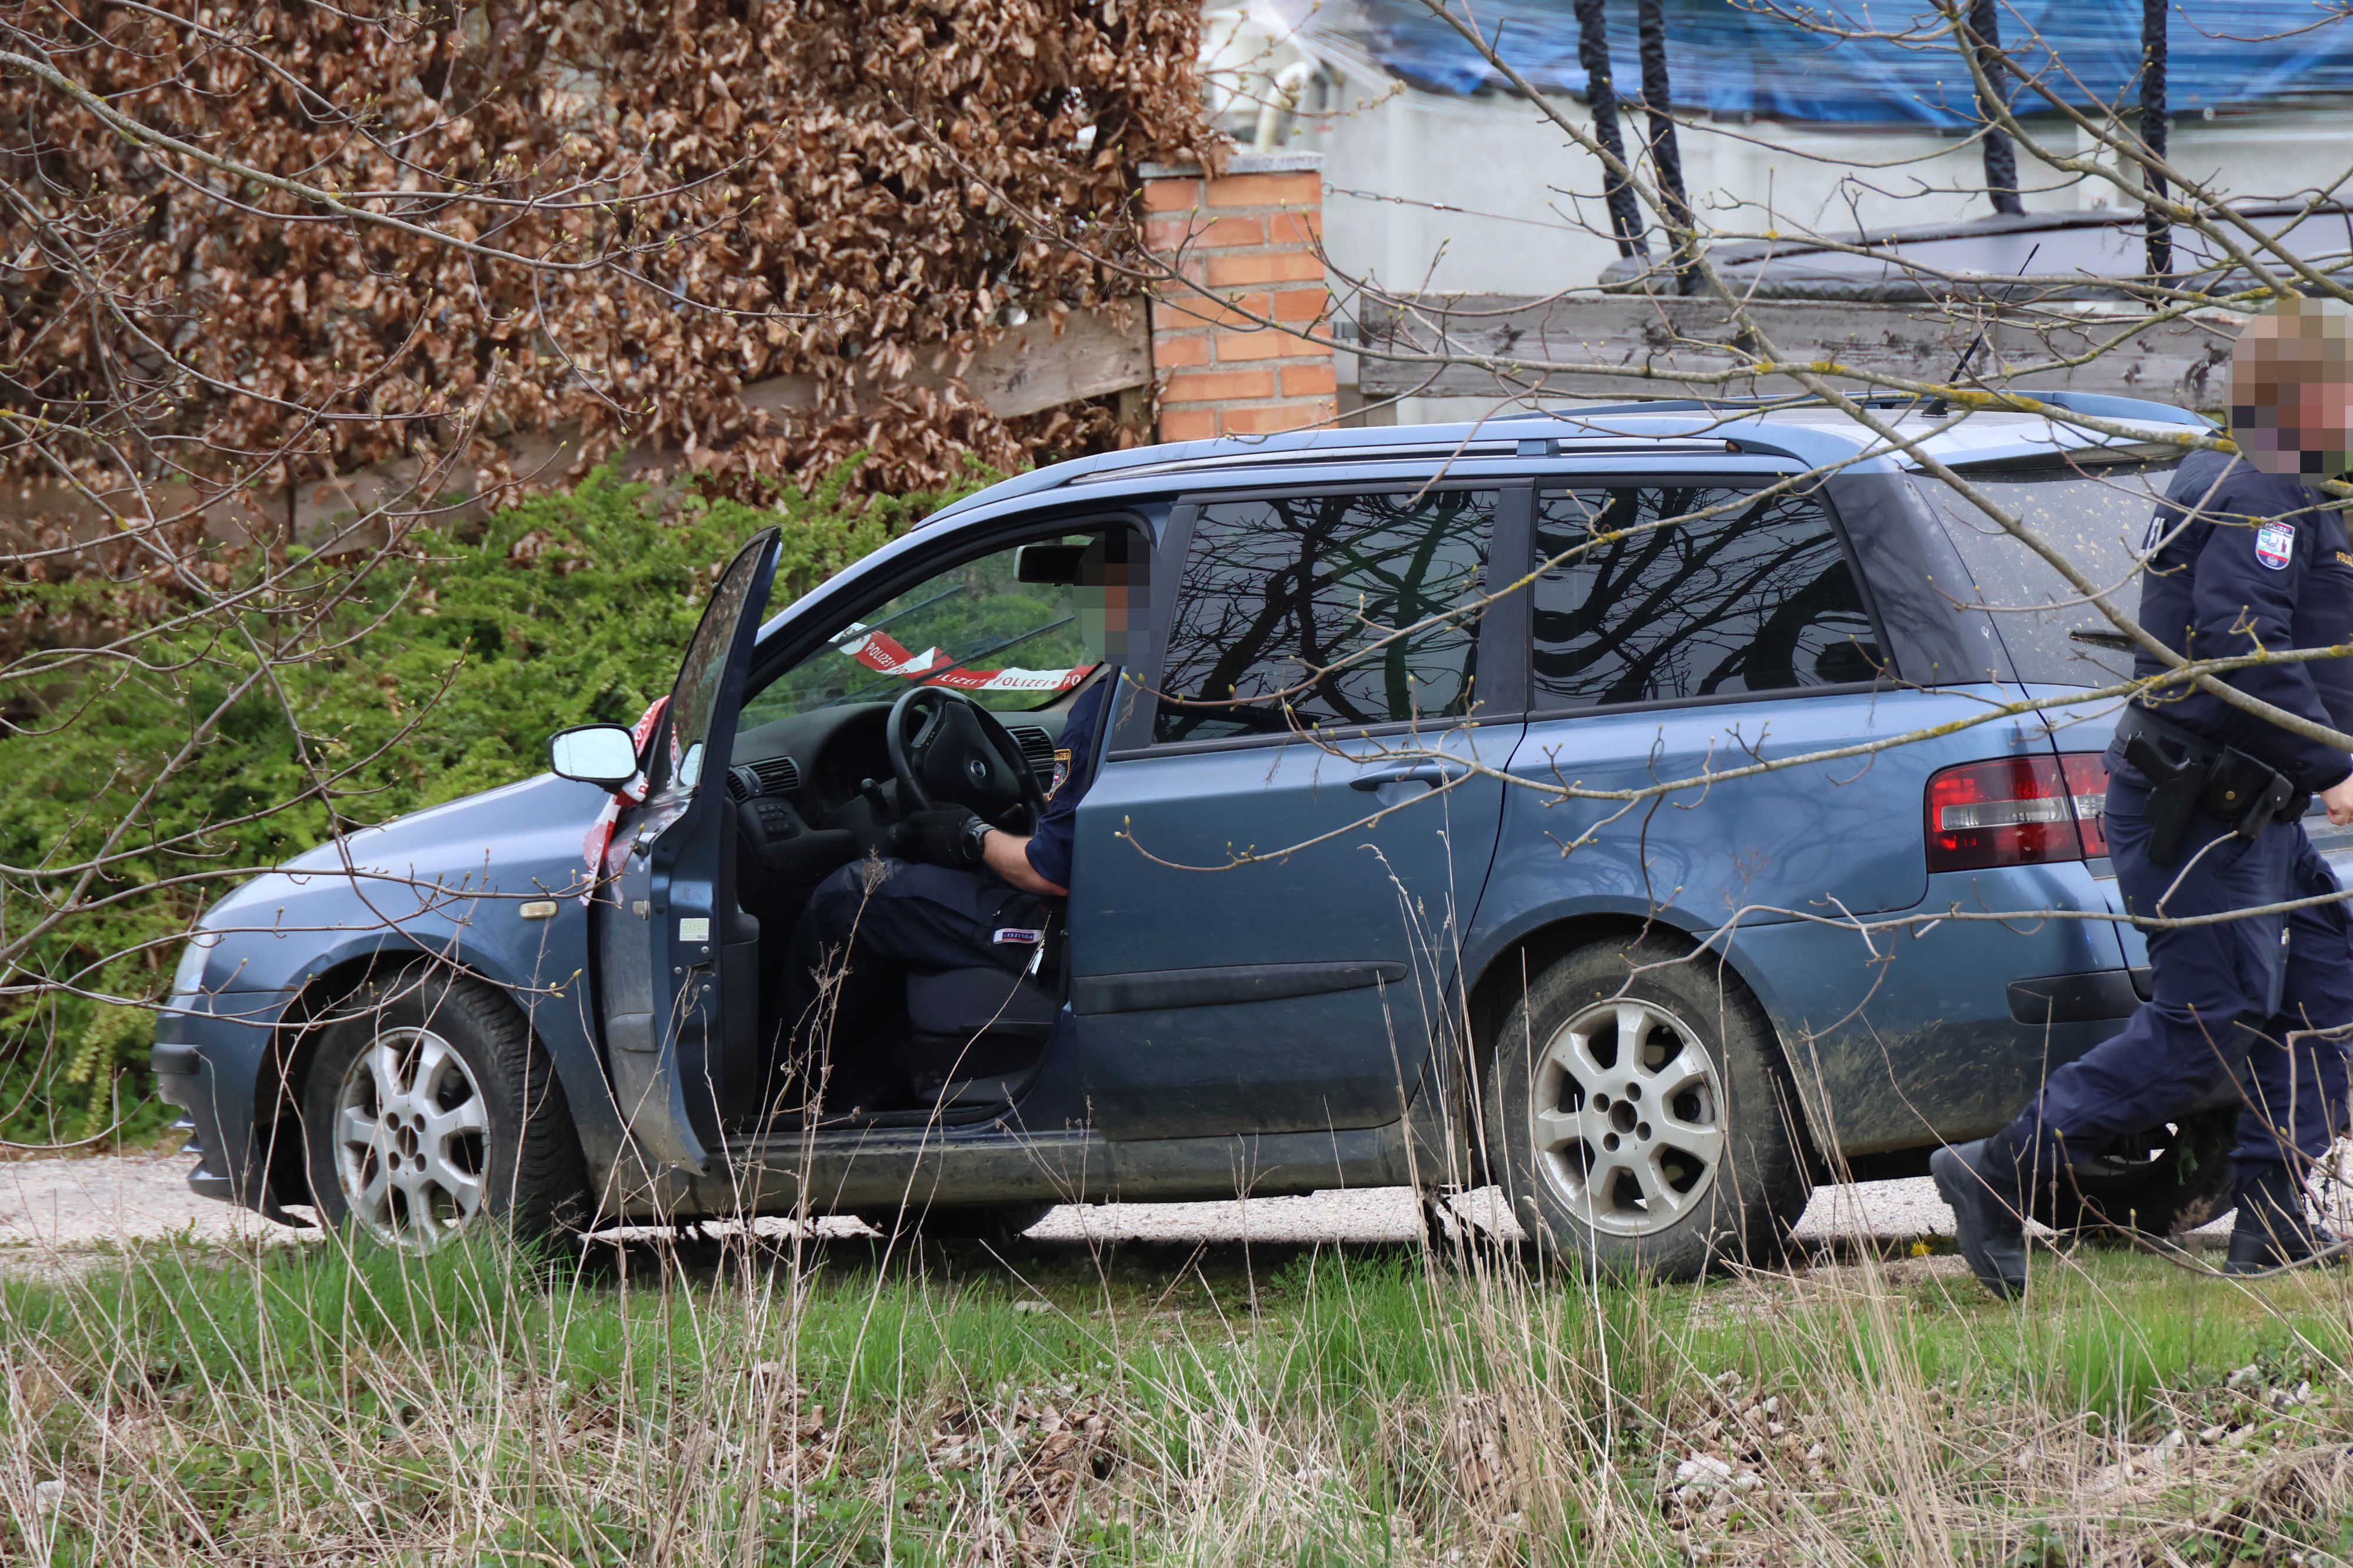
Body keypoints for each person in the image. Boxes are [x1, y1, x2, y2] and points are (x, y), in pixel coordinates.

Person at [1934, 297, 2353, 1297]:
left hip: (2253, 808)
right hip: (2203, 809)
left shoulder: (2282, 482)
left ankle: (2272, 1208)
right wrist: (2337, 769)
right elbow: (2239, 652)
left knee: (2335, 977)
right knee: (2208, 1020)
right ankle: (1999, 1174)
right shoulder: (2261, 492)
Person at [776, 533, 1140, 1108]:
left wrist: (969, 835)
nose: (1087, 607)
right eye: (1084, 592)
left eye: (1098, 593)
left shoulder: (1116, 699)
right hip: (1123, 909)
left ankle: (795, 1093)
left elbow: (1052, 871)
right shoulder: (1175, 684)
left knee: (855, 895)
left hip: (1074, 930)